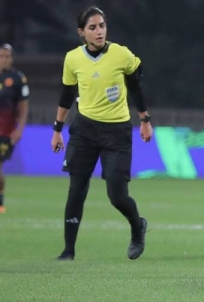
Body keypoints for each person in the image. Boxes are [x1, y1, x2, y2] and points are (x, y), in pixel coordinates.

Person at [50, 6, 153, 261]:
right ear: (81, 33)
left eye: (102, 26)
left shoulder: (121, 54)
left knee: (117, 196)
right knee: (76, 190)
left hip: (116, 132)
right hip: (84, 130)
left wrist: (144, 119)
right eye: (93, 27)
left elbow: (135, 85)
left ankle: (137, 226)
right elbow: (66, 95)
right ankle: (68, 251)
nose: (99, 31)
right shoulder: (73, 59)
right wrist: (57, 130)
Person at [0, 43, 29, 214]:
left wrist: (20, 129)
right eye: (1, 56)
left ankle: (0, 202)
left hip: (5, 130)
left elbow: (23, 106)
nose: (4, 59)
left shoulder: (18, 78)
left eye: (7, 56)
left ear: (11, 59)